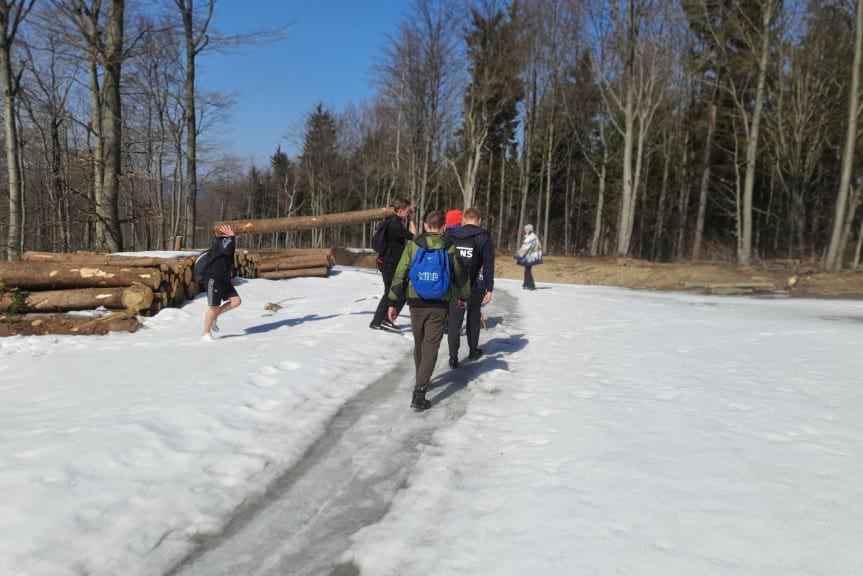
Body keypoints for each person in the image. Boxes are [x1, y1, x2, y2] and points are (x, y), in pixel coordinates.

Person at [388, 210, 469, 411]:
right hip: (439, 303)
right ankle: (419, 391)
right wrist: (464, 297)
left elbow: (400, 273)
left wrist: (392, 301)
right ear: (443, 227)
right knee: (431, 347)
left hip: (416, 301)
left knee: (420, 343)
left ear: (425, 226)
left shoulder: (413, 245)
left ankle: (421, 378)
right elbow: (460, 274)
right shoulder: (449, 246)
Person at [445, 207, 494, 368]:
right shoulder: (484, 237)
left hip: (455, 285)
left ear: (464, 220)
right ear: (479, 221)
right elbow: (488, 265)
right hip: (475, 285)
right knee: (473, 318)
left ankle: (453, 357)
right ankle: (473, 350)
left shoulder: (450, 235)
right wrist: (489, 287)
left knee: (454, 321)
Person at [370, 197, 417, 330]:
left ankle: (383, 319)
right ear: (400, 211)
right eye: (408, 211)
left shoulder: (391, 222)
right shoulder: (395, 226)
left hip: (387, 262)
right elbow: (414, 237)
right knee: (393, 292)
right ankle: (379, 320)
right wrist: (412, 220)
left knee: (397, 291)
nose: (409, 213)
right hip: (390, 264)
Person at [202, 224, 242, 341]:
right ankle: (206, 333)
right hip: (213, 277)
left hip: (223, 278)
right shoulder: (223, 241)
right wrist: (231, 237)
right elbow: (227, 250)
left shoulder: (225, 241)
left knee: (236, 301)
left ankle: (215, 317)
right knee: (214, 306)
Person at [515, 223, 542, 290]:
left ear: (530, 230)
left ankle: (531, 285)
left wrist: (519, 255)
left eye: (527, 229)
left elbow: (526, 247)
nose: (525, 230)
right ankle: (526, 284)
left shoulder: (532, 237)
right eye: (525, 229)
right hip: (530, 255)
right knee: (527, 268)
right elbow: (525, 247)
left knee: (528, 269)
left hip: (533, 255)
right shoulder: (529, 236)